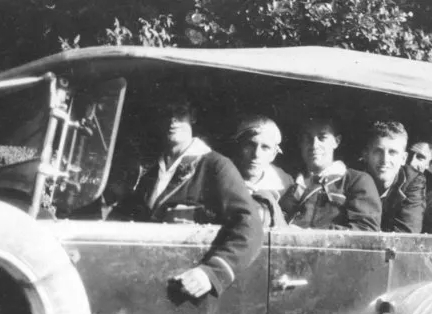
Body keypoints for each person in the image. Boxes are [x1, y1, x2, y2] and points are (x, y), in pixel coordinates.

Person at [109, 95, 263, 299]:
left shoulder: (215, 166)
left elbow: (250, 226)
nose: (173, 120)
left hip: (190, 292)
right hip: (151, 284)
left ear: (193, 116)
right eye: (166, 113)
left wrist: (212, 273)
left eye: (180, 112)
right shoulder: (151, 175)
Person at [278, 116, 381, 231]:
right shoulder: (289, 181)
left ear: (336, 142)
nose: (314, 145)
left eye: (322, 138)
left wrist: (308, 235)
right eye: (308, 138)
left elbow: (365, 230)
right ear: (301, 143)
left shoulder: (356, 181)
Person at [360, 121, 425, 233]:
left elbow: (407, 234)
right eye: (378, 151)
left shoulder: (413, 181)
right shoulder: (352, 177)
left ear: (403, 158)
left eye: (393, 152)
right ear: (366, 155)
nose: (385, 160)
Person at [230, 116, 292, 229]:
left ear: (273, 154)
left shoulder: (285, 185)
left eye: (265, 147)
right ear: (238, 146)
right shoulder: (222, 177)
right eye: (250, 145)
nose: (256, 154)